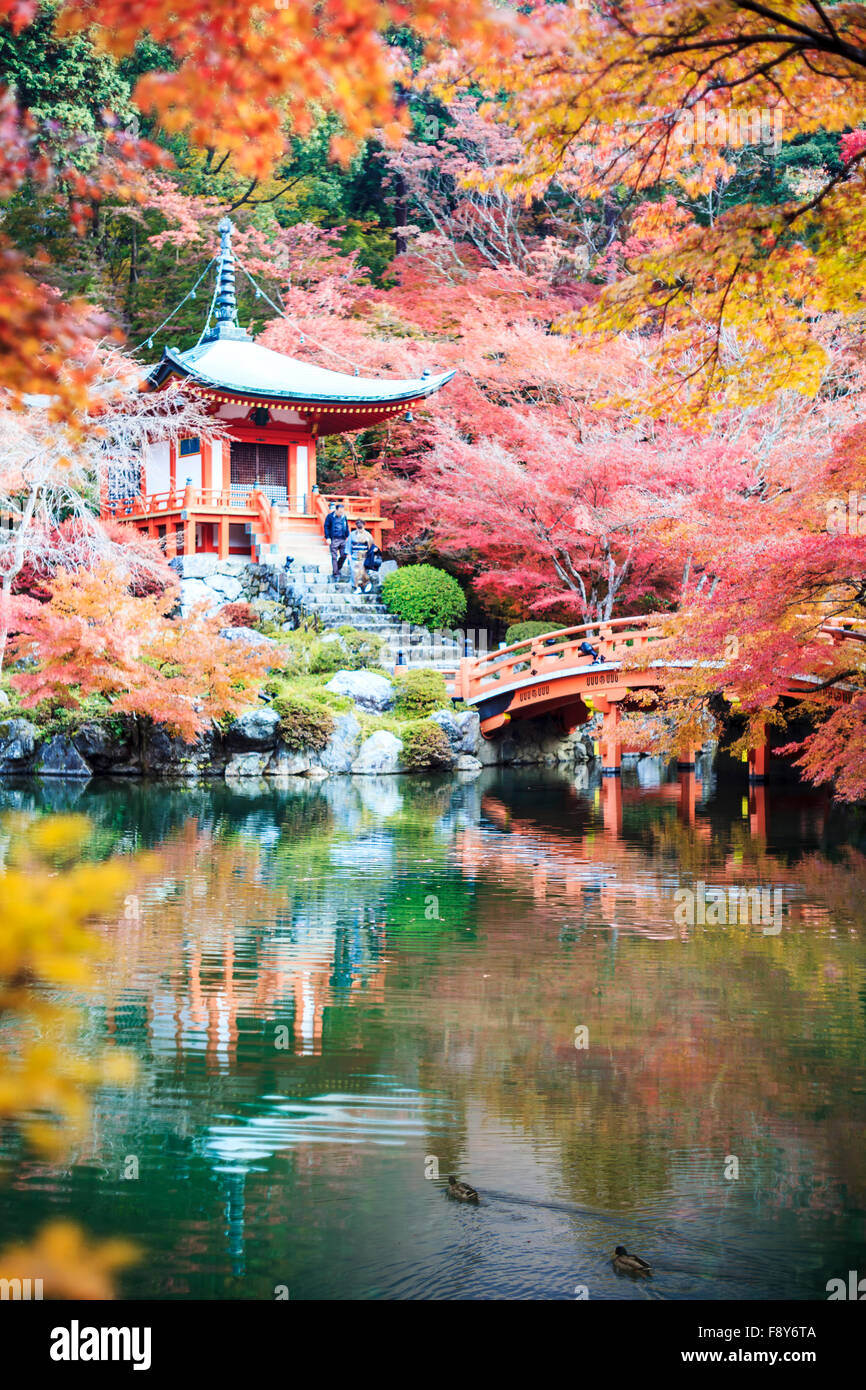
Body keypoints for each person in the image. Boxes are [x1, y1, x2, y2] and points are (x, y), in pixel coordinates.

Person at [348, 517, 374, 591]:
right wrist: (349, 554)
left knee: (363, 572)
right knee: (355, 572)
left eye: (361, 523)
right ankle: (357, 587)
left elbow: (371, 546)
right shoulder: (352, 534)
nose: (359, 524)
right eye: (358, 523)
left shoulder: (368, 535)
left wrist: (370, 556)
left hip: (364, 556)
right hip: (354, 556)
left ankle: (367, 584)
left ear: (364, 524)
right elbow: (349, 545)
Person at [328, 503, 350, 580]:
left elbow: (346, 526)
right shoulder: (330, 517)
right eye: (340, 512)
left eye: (342, 512)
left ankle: (337, 568)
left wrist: (348, 536)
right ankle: (336, 573)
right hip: (334, 538)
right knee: (334, 556)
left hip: (343, 538)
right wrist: (328, 537)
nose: (341, 513)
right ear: (336, 510)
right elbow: (326, 527)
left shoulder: (344, 517)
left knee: (344, 555)